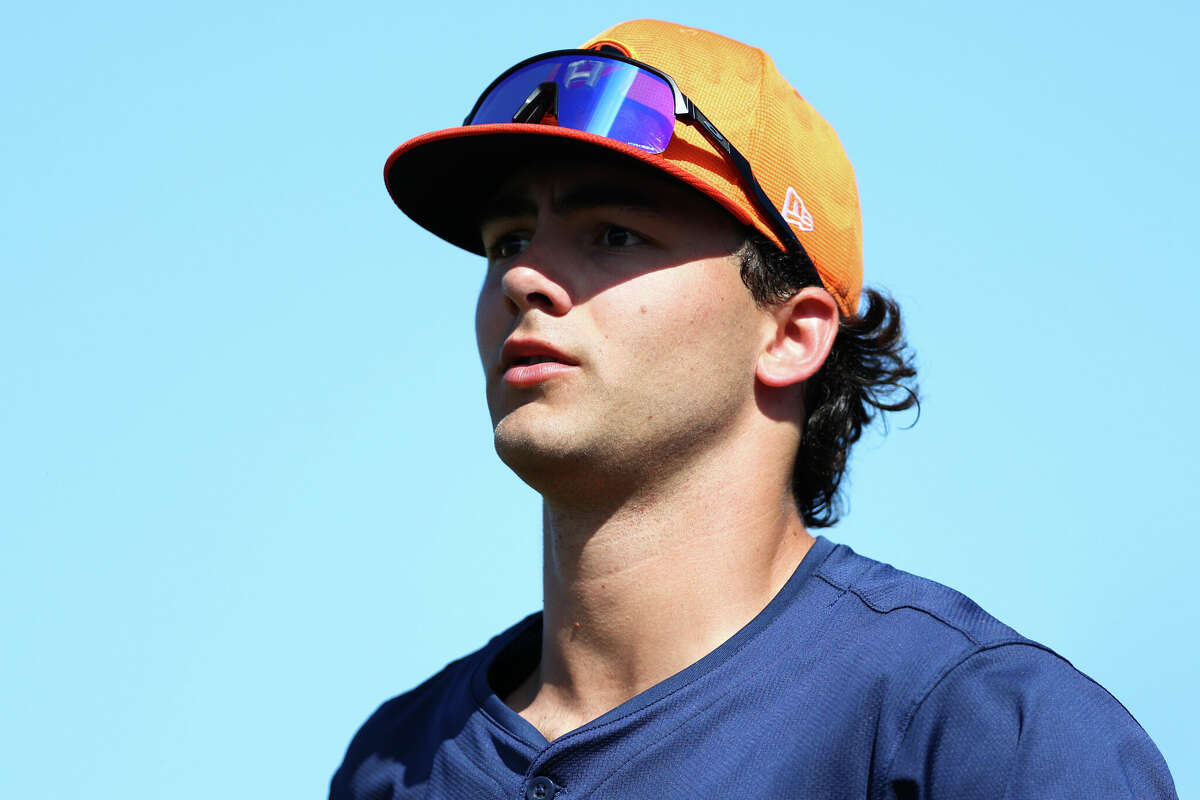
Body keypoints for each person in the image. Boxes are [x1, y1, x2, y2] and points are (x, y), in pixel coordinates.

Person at [331, 19, 1177, 799]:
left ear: (792, 334)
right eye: (508, 241)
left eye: (613, 233)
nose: (522, 278)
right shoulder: (395, 761)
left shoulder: (984, 737)